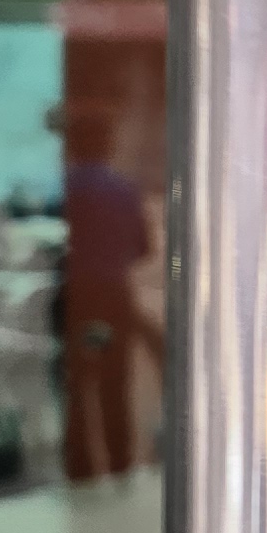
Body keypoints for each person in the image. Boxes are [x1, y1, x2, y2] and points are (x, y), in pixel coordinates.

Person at [58, 101, 165, 484]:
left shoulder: (66, 190)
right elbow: (144, 248)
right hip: (115, 295)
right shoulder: (123, 191)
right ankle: (119, 465)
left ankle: (82, 468)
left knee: (77, 382)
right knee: (113, 382)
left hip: (76, 296)